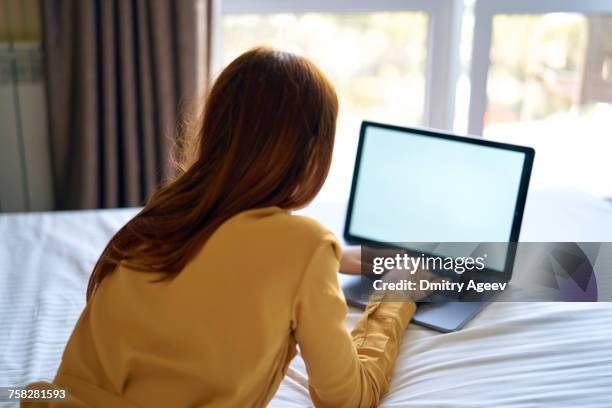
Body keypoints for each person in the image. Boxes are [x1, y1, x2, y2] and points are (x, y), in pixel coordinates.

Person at [23, 47, 417, 408]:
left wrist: (335, 260)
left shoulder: (168, 211)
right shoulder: (305, 247)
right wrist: (396, 295)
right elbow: (347, 399)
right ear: (313, 154)